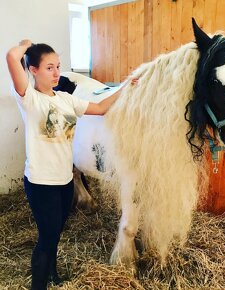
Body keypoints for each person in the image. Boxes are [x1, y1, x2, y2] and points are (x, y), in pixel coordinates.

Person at [6, 39, 135, 290]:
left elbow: (100, 108)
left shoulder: (65, 98)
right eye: (49, 68)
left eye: (58, 67)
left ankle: (52, 274)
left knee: (55, 233)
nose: (56, 73)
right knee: (47, 238)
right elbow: (12, 57)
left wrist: (126, 86)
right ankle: (39, 285)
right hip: (41, 182)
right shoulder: (29, 99)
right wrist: (26, 44)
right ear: (33, 70)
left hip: (65, 181)